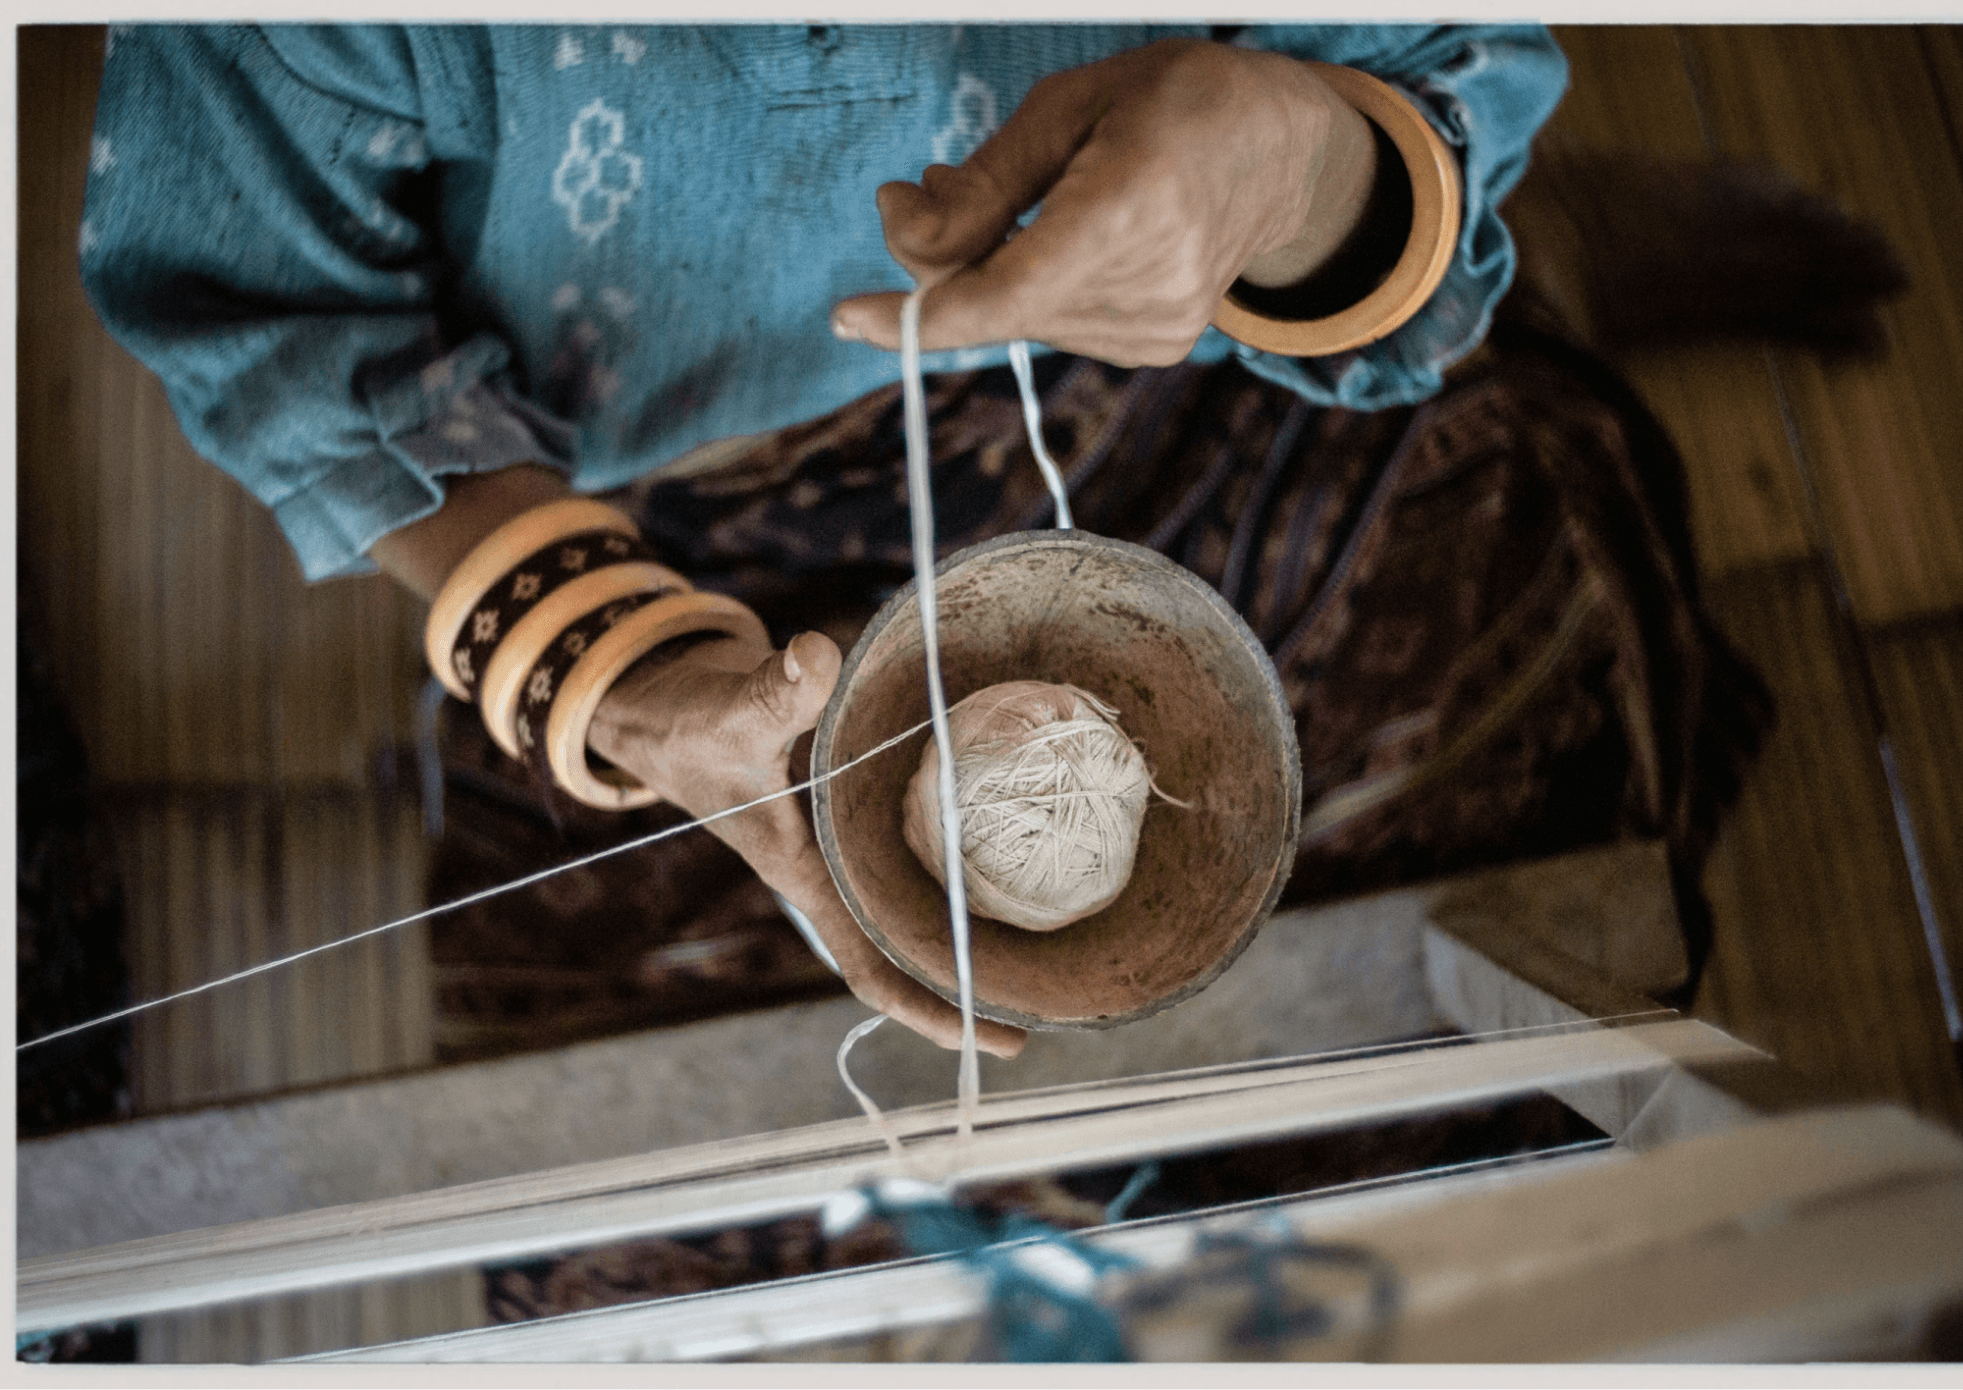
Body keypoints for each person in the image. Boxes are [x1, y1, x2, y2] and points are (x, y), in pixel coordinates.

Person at [83, 24, 1828, 1059]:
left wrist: (1302, 165)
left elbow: (1437, 40)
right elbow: (277, 317)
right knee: (653, 1052)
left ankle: (1508, 256)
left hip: (1153, 380)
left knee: (1520, 646)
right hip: (649, 512)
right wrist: (638, 673)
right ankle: (1520, 278)